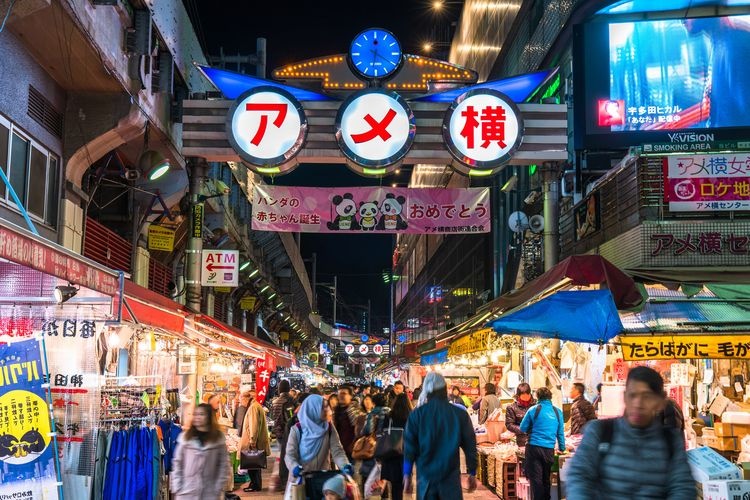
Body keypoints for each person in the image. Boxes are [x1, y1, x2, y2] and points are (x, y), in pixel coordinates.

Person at [565, 366, 695, 500]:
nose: (638, 403)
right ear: (625, 397)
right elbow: (579, 477)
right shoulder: (601, 432)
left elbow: (682, 487)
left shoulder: (671, 441)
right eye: (633, 395)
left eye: (647, 397)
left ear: (660, 402)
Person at [403, 372, 477, 499]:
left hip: (426, 482)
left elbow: (409, 448)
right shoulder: (460, 414)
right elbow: (470, 445)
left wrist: (407, 474)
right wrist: (472, 472)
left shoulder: (417, 415)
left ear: (426, 391)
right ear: (445, 390)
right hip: (450, 481)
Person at [285, 395, 353, 500]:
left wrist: (345, 465)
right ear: (313, 409)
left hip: (323, 481)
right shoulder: (297, 430)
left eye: (327, 407)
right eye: (324, 407)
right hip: (300, 481)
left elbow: (337, 452)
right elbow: (290, 455)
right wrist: (294, 467)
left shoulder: (329, 428)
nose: (328, 410)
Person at [170, 403, 229, 500]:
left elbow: (223, 465)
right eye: (195, 414)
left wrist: (218, 487)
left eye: (201, 414)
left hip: (209, 492)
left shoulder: (217, 439)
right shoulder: (185, 438)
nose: (197, 417)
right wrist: (178, 486)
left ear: (209, 417)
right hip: (187, 491)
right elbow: (177, 462)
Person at [520, 387, 565, 500]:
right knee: (546, 479)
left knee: (536, 479)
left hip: (533, 448)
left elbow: (522, 428)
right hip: (549, 449)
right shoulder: (557, 412)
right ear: (550, 397)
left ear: (538, 397)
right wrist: (562, 447)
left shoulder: (533, 410)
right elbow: (560, 433)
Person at [239, 390, 271, 492]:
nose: (241, 403)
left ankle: (255, 485)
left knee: (252, 465)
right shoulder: (256, 406)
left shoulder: (253, 407)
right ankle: (254, 484)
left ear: (246, 398)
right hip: (256, 441)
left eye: (241, 401)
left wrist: (252, 441)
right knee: (254, 465)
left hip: (253, 442)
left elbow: (254, 425)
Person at [380, 393, 410, 500]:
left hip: (391, 452)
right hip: (405, 453)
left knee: (394, 483)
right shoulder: (410, 416)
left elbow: (382, 432)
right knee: (401, 483)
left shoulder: (389, 416)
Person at [271, 380, 295, 484]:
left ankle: (282, 477)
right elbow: (292, 417)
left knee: (282, 454)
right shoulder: (291, 400)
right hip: (289, 431)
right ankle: (288, 477)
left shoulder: (275, 402)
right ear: (288, 388)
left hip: (279, 432)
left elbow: (274, 418)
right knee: (290, 454)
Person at [333, 385, 361, 460]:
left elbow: (359, 430)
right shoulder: (336, 411)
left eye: (344, 393)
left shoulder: (355, 411)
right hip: (338, 448)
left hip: (351, 448)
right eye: (339, 394)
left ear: (350, 396)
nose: (341, 396)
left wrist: (353, 445)